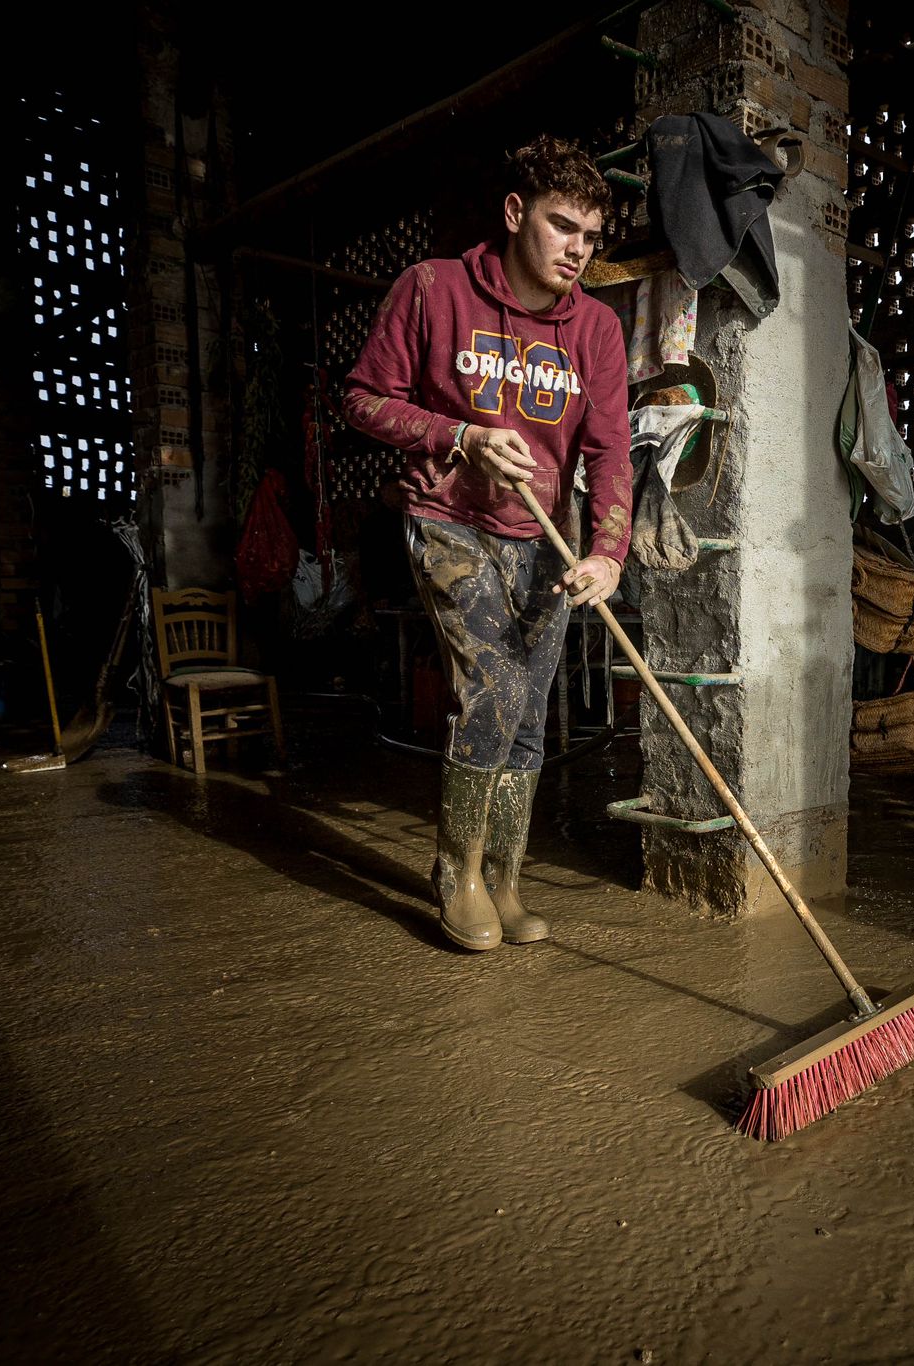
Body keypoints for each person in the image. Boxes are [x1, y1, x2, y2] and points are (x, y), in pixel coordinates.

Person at [343, 136, 632, 952]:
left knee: (530, 715)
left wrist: (608, 550)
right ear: (515, 213)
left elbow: (610, 450)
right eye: (561, 226)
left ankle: (505, 877)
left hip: (546, 541)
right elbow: (363, 399)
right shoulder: (432, 289)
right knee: (494, 690)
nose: (577, 249)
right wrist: (459, 437)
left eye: (589, 235)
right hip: (452, 522)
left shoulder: (599, 331)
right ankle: (457, 875)